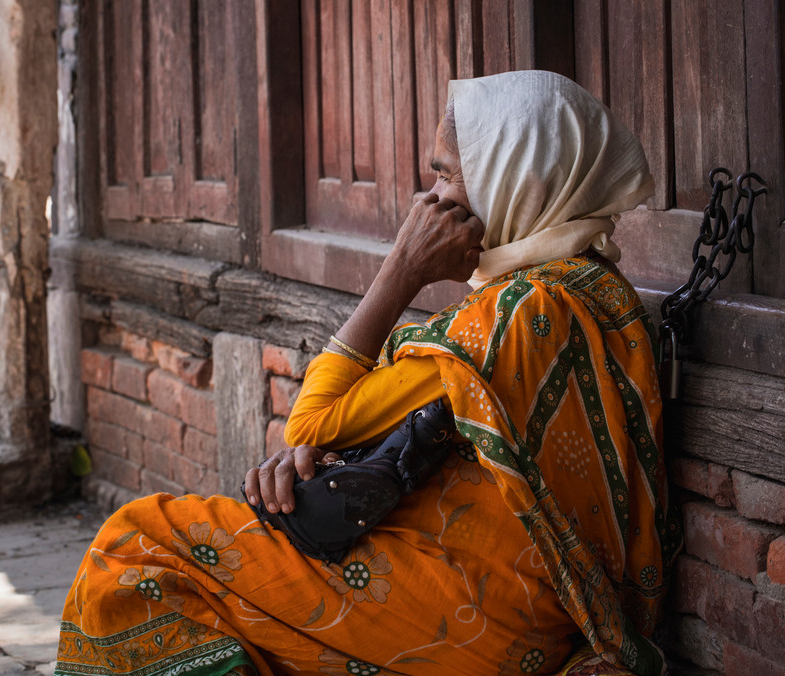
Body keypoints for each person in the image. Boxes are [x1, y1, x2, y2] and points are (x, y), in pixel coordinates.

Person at [54, 70, 680, 676]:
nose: (429, 200)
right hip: (512, 602)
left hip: (477, 611)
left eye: (448, 175)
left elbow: (311, 424)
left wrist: (400, 270)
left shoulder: (524, 311)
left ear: (515, 180)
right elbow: (334, 440)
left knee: (135, 546)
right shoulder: (594, 291)